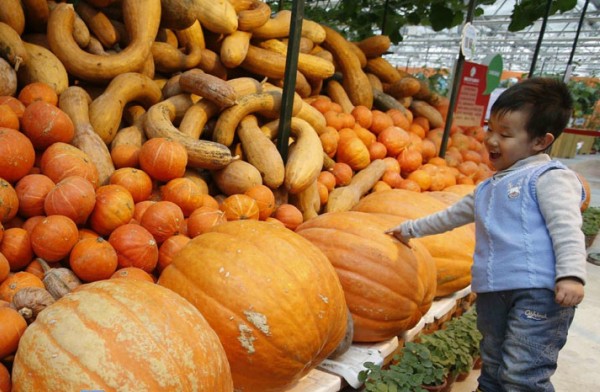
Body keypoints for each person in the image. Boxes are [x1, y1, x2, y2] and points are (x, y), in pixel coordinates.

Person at [386, 77, 587, 392]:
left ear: (539, 141)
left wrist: (572, 275)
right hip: (494, 293)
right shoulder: (489, 188)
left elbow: (566, 227)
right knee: (492, 366)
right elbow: (450, 217)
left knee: (523, 374)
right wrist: (409, 230)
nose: (491, 140)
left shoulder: (548, 179)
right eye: (490, 129)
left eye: (505, 134)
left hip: (539, 293)